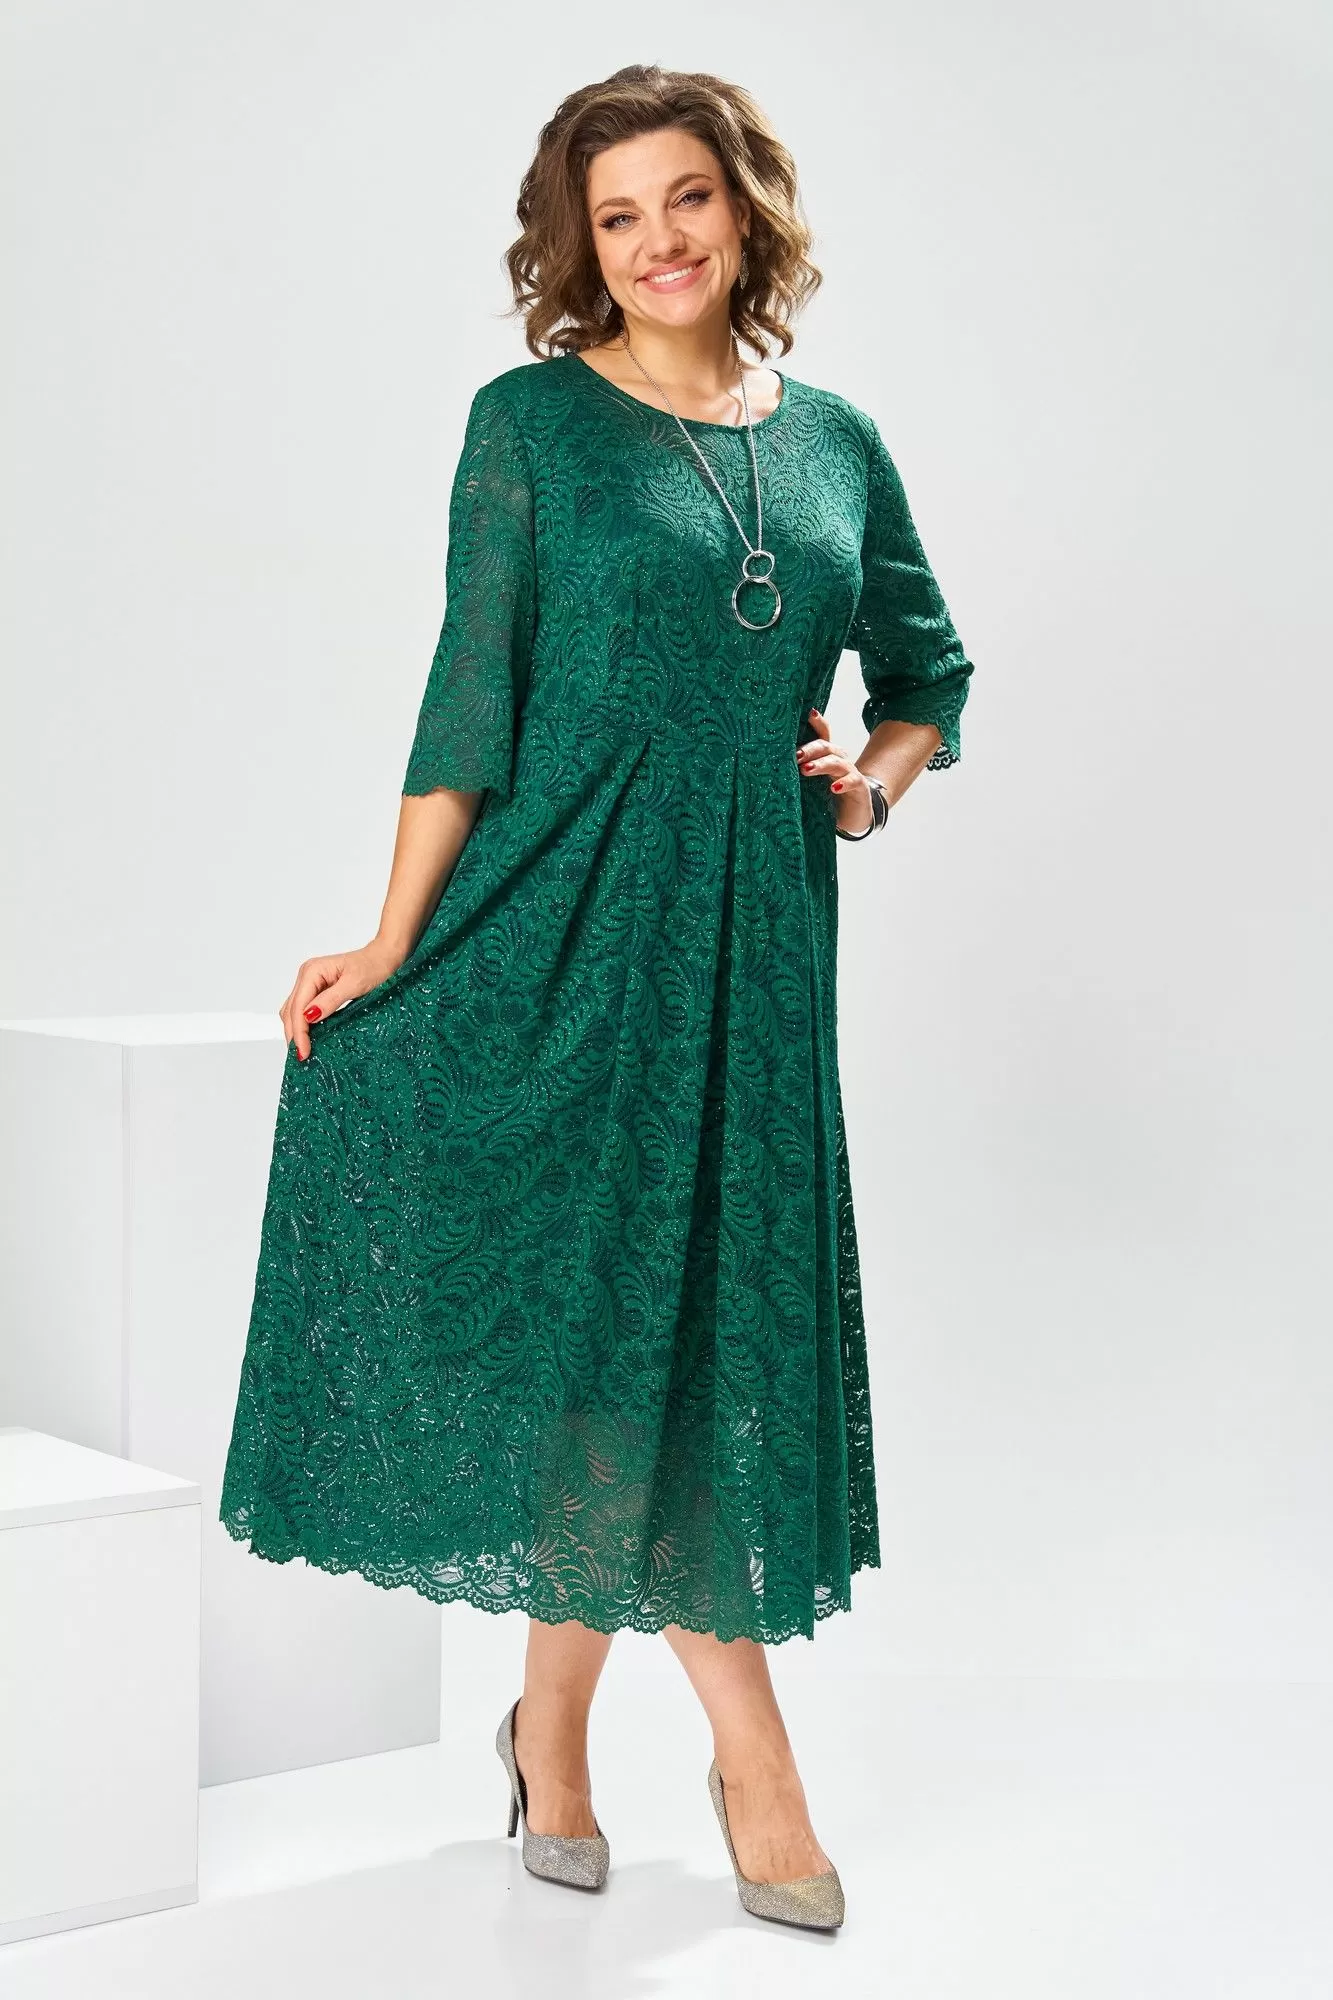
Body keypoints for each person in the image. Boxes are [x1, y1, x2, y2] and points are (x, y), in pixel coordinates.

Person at [219, 62, 976, 1932]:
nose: (655, 243)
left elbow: (930, 675)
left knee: (681, 1325)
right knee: (600, 1320)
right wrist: (391, 939)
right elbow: (468, 693)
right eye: (616, 216)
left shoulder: (839, 445)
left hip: (752, 952)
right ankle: (754, 1755)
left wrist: (868, 787)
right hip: (554, 925)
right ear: (580, 243)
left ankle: (547, 1731)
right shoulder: (530, 428)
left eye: (685, 200)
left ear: (745, 208)